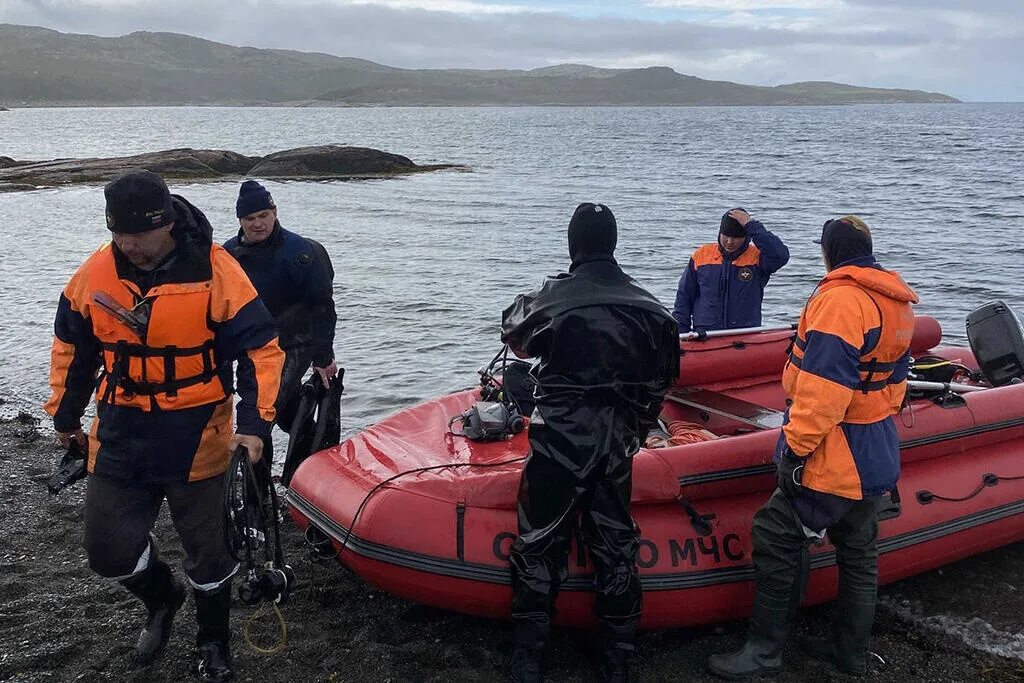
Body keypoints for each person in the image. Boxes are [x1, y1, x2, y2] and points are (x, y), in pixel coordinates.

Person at [45, 170, 284, 681]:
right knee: (106, 549)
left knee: (210, 553)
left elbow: (262, 349)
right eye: (117, 234)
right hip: (120, 432)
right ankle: (163, 597)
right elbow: (72, 347)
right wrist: (65, 418)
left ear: (167, 224)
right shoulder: (95, 274)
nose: (127, 244)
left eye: (137, 234)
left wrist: (255, 425)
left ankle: (213, 640)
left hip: (199, 433)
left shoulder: (217, 270)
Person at [707, 216, 918, 680]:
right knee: (860, 553)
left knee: (776, 533)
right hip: (877, 445)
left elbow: (823, 392)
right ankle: (849, 654)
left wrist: (795, 451)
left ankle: (763, 653)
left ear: (829, 253)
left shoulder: (841, 300)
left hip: (836, 451)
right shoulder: (896, 299)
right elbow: (897, 382)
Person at [501, 203, 680, 682]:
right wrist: (635, 429)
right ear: (614, 243)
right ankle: (617, 657)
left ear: (573, 244)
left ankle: (528, 657)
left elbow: (513, 331)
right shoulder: (652, 308)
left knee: (538, 541)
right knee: (615, 542)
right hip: (615, 441)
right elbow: (664, 380)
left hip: (560, 440)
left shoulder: (555, 297)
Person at [223, 180, 337, 482]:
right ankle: (319, 454)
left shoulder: (302, 253)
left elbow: (323, 307)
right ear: (240, 221)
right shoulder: (228, 254)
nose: (257, 224)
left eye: (263, 215)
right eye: (250, 219)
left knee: (262, 410)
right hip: (250, 342)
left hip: (293, 343)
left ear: (274, 212)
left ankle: (258, 492)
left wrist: (324, 357)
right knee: (285, 409)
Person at [672, 208, 789, 333]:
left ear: (746, 237)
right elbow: (684, 297)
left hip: (745, 334)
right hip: (705, 334)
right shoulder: (701, 255)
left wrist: (752, 225)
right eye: (726, 236)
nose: (729, 242)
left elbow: (780, 256)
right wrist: (681, 333)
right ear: (719, 233)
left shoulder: (758, 258)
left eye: (736, 237)